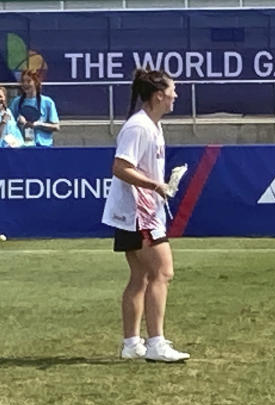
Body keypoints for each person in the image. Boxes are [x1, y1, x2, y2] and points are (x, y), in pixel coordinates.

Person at [101, 68, 189, 363]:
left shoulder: (151, 125)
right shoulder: (139, 127)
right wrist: (155, 185)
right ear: (158, 95)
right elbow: (120, 166)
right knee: (163, 272)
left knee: (139, 277)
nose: (175, 96)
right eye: (172, 91)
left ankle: (131, 343)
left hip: (138, 212)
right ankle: (156, 343)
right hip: (138, 213)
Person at [10, 69, 60, 147]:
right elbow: (9, 126)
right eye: (23, 81)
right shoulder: (16, 102)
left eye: (29, 81)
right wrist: (18, 121)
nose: (25, 84)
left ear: (36, 82)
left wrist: (39, 125)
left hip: (44, 146)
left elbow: (56, 127)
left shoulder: (47, 102)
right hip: (23, 146)